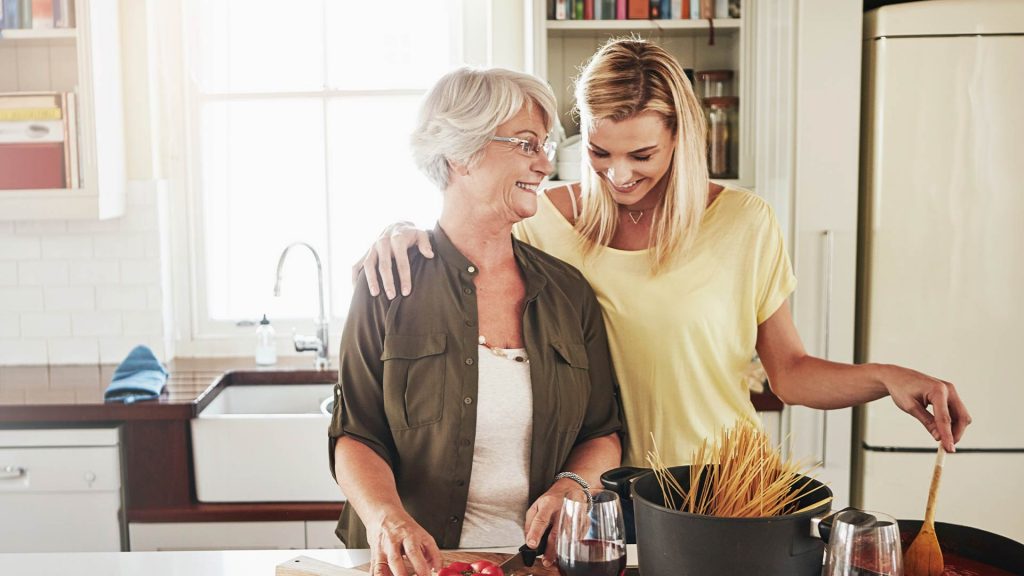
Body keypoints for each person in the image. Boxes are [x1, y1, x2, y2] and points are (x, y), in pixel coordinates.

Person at [360, 38, 972, 469]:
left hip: (721, 488)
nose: (618, 175)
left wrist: (886, 376)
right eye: (599, 152)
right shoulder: (541, 220)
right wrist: (399, 229)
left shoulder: (742, 222)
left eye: (642, 155)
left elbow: (789, 373)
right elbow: (465, 220)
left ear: (680, 137)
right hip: (594, 495)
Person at [329, 67, 622, 576]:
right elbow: (355, 434)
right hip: (411, 567)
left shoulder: (567, 292)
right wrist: (387, 520)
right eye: (526, 144)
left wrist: (569, 487)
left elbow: (602, 432)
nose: (545, 162)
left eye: (545, 145)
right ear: (460, 153)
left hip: (533, 566)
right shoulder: (388, 284)